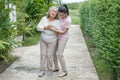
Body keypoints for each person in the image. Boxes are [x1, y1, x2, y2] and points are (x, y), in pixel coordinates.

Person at [36, 6, 60, 77]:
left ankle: (49, 70)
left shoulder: (58, 21)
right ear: (49, 12)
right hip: (43, 39)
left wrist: (54, 29)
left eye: (55, 12)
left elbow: (58, 33)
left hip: (52, 41)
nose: (54, 12)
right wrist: (45, 28)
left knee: (49, 55)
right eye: (52, 11)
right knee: (43, 55)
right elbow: (38, 27)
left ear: (56, 14)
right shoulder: (44, 18)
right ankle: (42, 70)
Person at [49, 4, 71, 77]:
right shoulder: (59, 15)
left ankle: (65, 71)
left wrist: (54, 29)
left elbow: (64, 32)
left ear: (66, 13)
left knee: (60, 54)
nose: (61, 16)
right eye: (60, 15)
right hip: (56, 36)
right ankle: (56, 67)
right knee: (53, 53)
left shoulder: (68, 20)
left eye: (63, 15)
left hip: (63, 37)